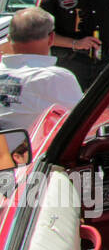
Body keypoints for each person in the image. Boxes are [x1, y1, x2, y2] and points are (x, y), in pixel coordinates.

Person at [0, 9, 83, 150]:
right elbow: (84, 125)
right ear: (51, 38)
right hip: (28, 165)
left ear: (9, 39)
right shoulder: (55, 78)